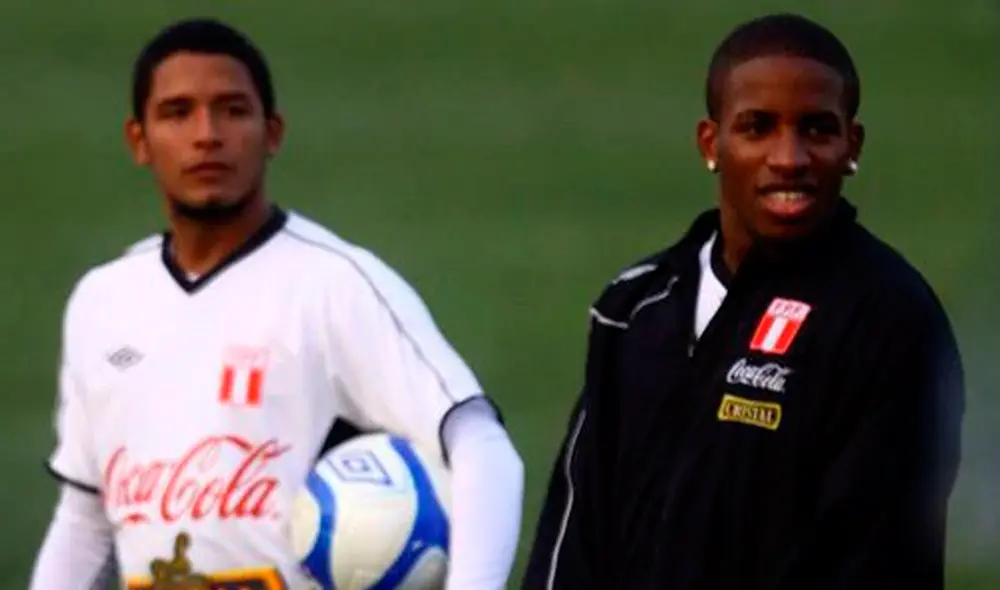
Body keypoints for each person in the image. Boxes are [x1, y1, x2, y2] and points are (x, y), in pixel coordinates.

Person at [28, 18, 524, 590]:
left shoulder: (332, 284)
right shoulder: (103, 301)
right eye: (177, 113)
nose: (207, 134)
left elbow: (482, 447)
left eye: (233, 110)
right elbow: (85, 518)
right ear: (139, 140)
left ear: (272, 133)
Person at [522, 12, 965, 590]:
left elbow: (875, 559)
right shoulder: (636, 307)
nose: (789, 157)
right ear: (712, 143)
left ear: (851, 146)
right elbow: (573, 531)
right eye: (758, 128)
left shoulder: (887, 319)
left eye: (817, 129)